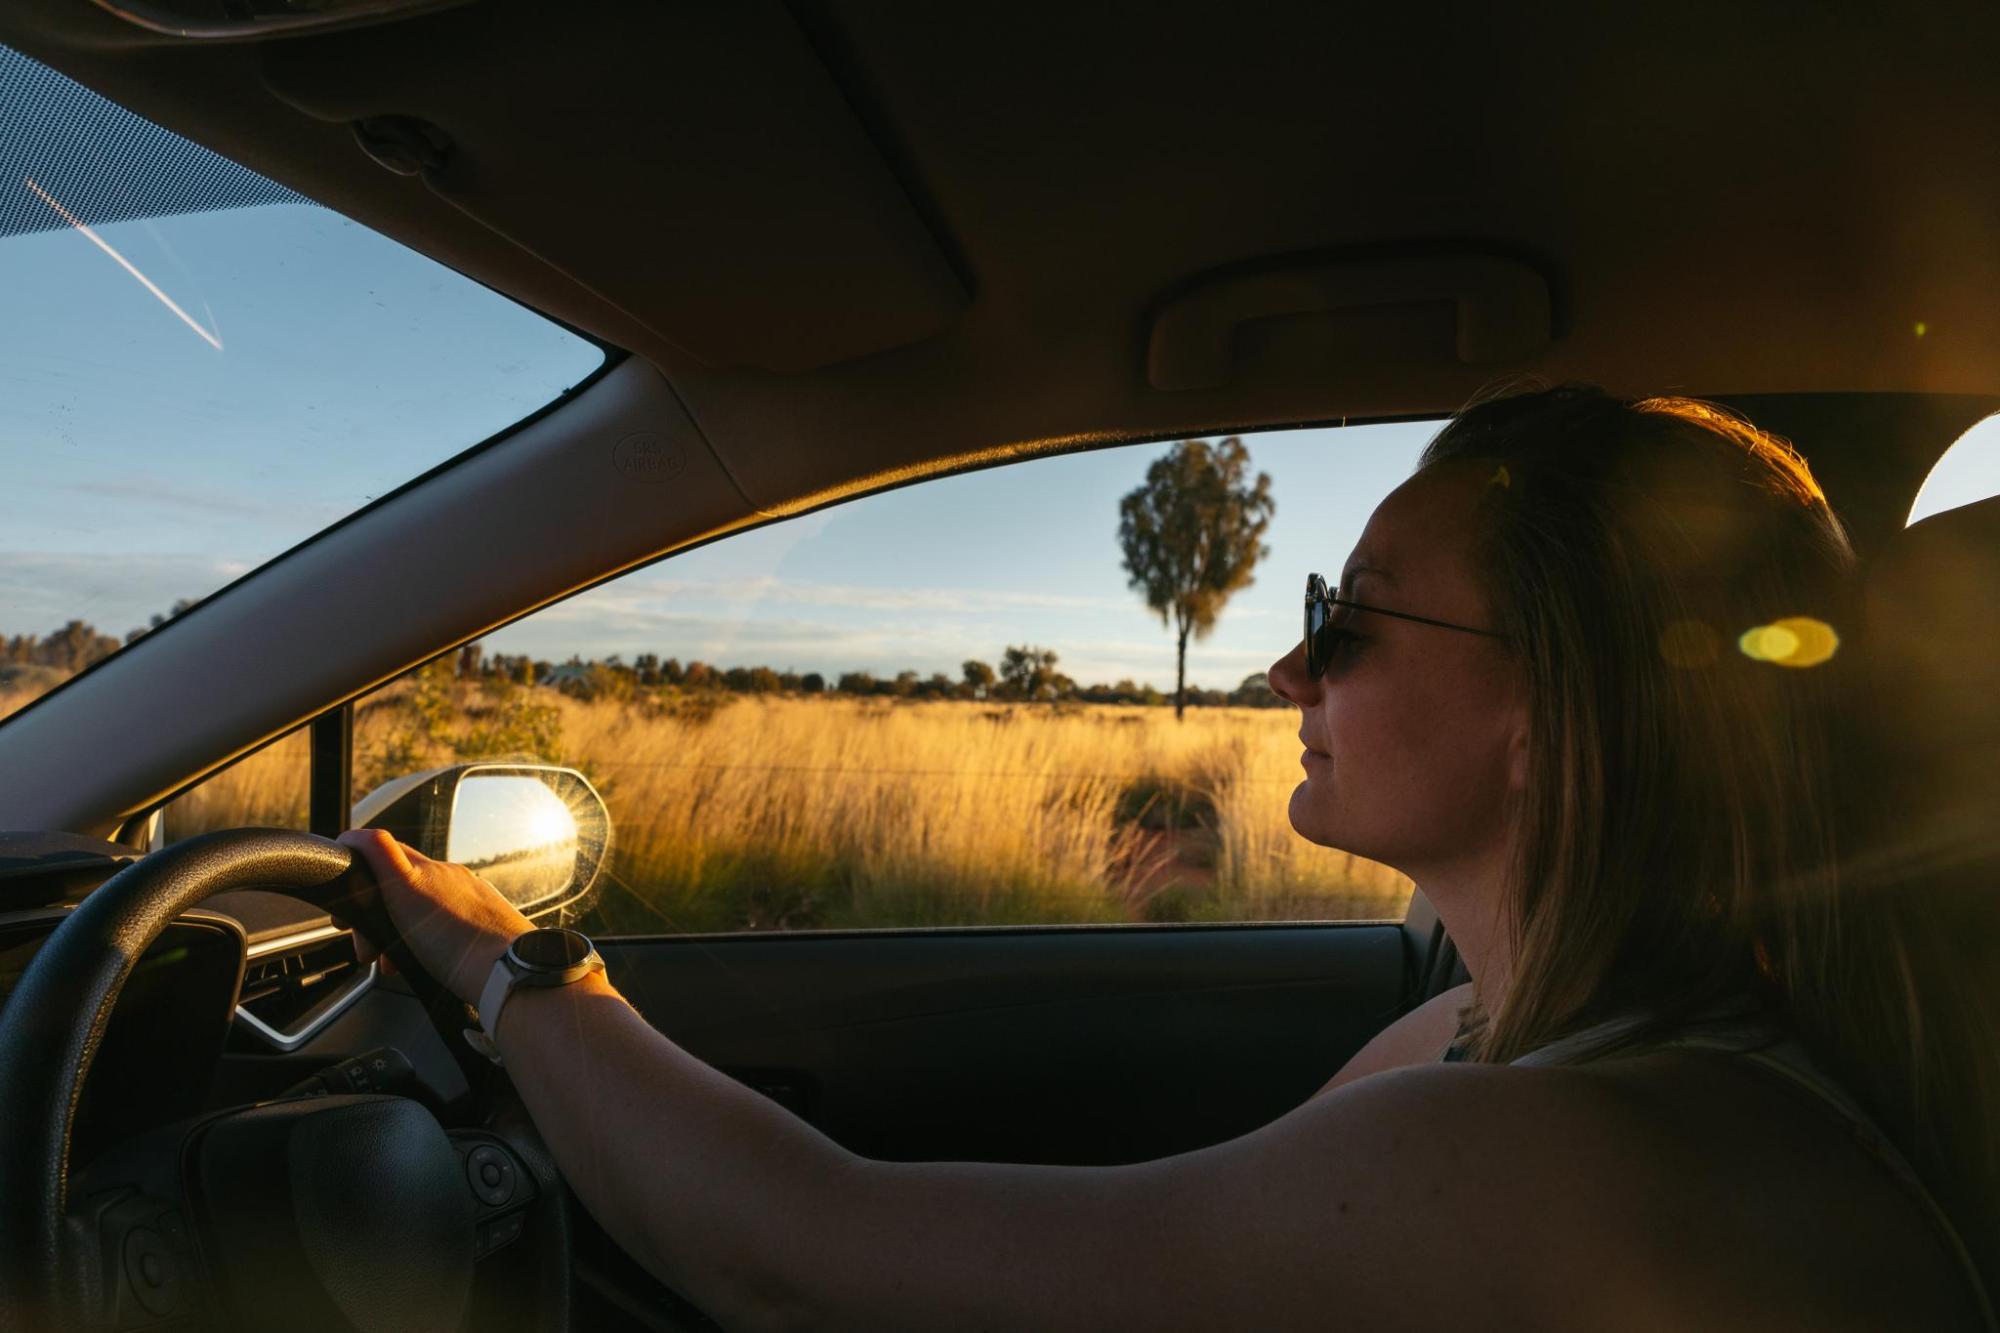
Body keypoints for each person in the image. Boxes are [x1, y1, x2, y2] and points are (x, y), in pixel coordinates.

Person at [339, 386, 1994, 1330]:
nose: (1292, 671)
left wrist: (512, 963)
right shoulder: (1502, 1041)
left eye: (1344, 619)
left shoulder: (1563, 1153)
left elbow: (799, 1251)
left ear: (1552, 715)